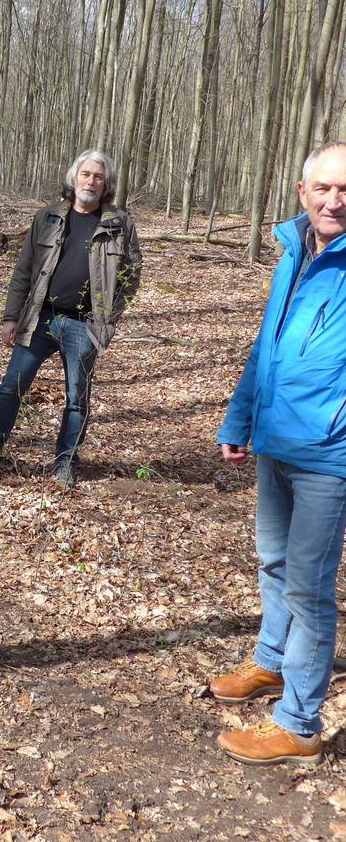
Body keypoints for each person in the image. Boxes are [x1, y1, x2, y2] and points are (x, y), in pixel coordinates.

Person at [211, 141, 346, 766]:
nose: (335, 200)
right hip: (275, 439)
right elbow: (266, 345)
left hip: (329, 454)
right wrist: (240, 417)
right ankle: (269, 663)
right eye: (323, 188)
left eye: (345, 190)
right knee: (272, 561)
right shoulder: (293, 252)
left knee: (310, 589)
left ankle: (298, 724)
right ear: (302, 192)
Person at [0, 150, 141, 485]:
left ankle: (65, 462)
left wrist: (107, 317)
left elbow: (130, 277)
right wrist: (10, 316)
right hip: (40, 319)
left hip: (85, 325)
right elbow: (23, 271)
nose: (91, 181)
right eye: (86, 174)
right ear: (74, 177)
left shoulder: (120, 224)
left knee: (77, 400)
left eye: (98, 177)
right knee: (10, 389)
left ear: (107, 185)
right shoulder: (48, 217)